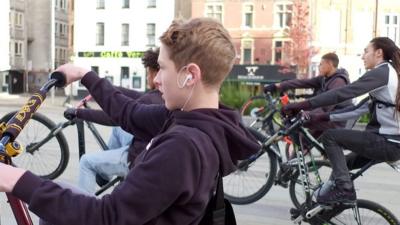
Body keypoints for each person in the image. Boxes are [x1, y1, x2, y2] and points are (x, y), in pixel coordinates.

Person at [0, 17, 260, 225]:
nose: (156, 80)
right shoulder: (201, 121)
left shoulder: (182, 147)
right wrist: (85, 75)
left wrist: (18, 180)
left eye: (163, 69)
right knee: (55, 193)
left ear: (190, 75)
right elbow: (131, 114)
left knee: (54, 203)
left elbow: (106, 216)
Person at [281, 37, 400, 204]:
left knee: (330, 136)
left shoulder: (382, 72)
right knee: (343, 166)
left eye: (366, 51)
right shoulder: (387, 74)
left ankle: (345, 189)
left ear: (379, 53)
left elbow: (344, 92)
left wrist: (302, 104)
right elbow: (356, 109)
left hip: (387, 142)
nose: (362, 56)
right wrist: (317, 116)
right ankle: (327, 206)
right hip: (388, 143)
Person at [64, 48, 163, 193]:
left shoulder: (151, 99)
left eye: (147, 73)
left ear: (155, 73)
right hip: (148, 146)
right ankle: (105, 174)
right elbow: (137, 96)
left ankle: (86, 212)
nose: (148, 77)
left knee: (86, 161)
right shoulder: (160, 95)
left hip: (137, 157)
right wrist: (107, 88)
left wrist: (79, 112)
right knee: (119, 129)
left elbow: (113, 118)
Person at [264, 52, 353, 138]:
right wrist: (278, 85)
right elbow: (302, 82)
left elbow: (327, 107)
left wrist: (307, 114)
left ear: (329, 64)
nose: (319, 67)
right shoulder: (324, 79)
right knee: (303, 140)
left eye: (321, 64)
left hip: (335, 121)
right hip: (326, 116)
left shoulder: (339, 82)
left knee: (301, 130)